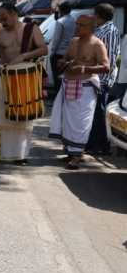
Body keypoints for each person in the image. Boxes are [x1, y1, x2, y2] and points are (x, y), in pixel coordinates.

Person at [0, 1, 48, 164]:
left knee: (23, 118)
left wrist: (23, 56)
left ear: (14, 13)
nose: (2, 22)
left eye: (5, 18)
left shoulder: (31, 29)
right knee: (1, 117)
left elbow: (44, 49)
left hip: (25, 80)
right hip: (5, 79)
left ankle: (20, 155)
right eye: (0, 19)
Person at [49, 15, 110, 170]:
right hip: (68, 83)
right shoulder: (74, 41)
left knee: (81, 122)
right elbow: (66, 58)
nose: (76, 27)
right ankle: (72, 152)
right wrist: (62, 62)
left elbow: (106, 67)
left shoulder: (97, 44)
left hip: (86, 87)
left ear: (90, 27)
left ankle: (77, 155)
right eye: (76, 24)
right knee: (68, 121)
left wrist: (84, 69)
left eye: (81, 25)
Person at [87, 3, 122, 155]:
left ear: (99, 15)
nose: (92, 17)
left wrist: (105, 79)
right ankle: (95, 143)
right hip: (95, 77)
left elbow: (112, 57)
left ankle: (101, 145)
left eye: (94, 14)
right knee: (95, 112)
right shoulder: (100, 29)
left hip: (103, 79)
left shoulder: (110, 31)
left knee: (100, 113)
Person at [50, 3, 76, 96]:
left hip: (59, 54)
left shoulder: (60, 21)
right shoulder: (74, 21)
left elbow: (56, 39)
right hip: (71, 54)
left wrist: (52, 53)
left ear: (61, 10)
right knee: (68, 77)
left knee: (58, 78)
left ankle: (59, 96)